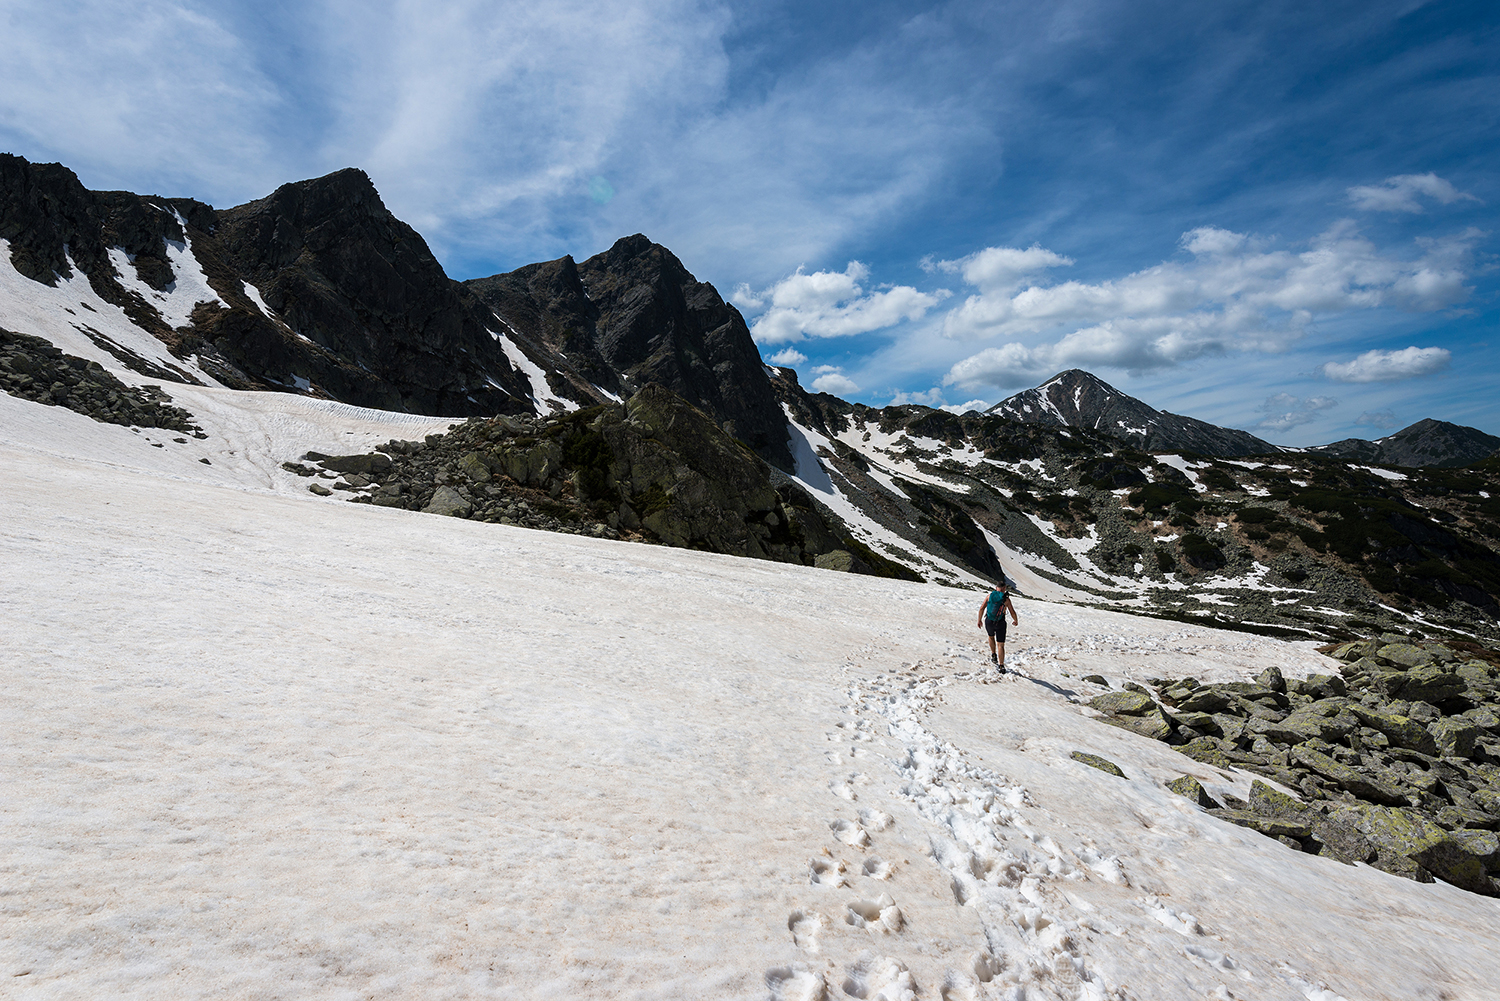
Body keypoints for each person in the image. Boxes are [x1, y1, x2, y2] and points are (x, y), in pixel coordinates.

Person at [977, 578, 1018, 669]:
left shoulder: (989, 596)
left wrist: (979, 620)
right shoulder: (1006, 599)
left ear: (996, 587)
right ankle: (1001, 665)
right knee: (1000, 644)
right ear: (1004, 588)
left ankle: (993, 655)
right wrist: (1015, 620)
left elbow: (981, 608)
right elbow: (1012, 612)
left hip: (989, 621)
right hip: (1000, 622)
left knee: (991, 637)